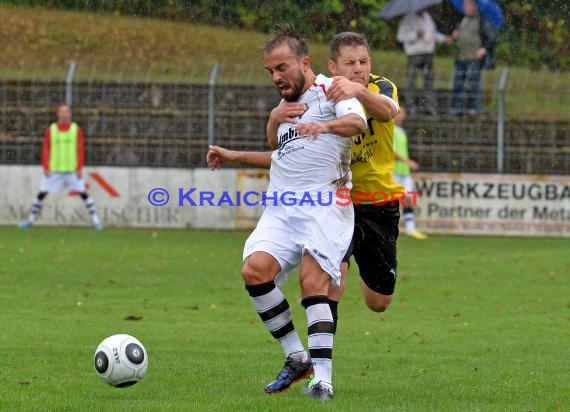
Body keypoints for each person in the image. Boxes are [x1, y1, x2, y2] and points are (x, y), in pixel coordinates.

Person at [208, 31, 404, 317]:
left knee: (378, 302)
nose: (358, 69)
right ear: (333, 67)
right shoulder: (320, 96)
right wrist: (268, 124)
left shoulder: (380, 87)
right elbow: (285, 150)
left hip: (377, 201)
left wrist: (358, 91)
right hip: (335, 202)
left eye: (363, 61)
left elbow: (388, 112)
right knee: (325, 284)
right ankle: (318, 360)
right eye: (350, 63)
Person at [239, 25, 367, 400]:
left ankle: (322, 381)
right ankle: (297, 357)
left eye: (282, 68)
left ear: (305, 63)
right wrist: (274, 119)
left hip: (326, 204)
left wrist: (322, 124)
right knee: (254, 271)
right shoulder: (285, 104)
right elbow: (279, 147)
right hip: (282, 208)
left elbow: (357, 122)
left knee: (312, 282)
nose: (277, 77)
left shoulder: (332, 88)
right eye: (271, 72)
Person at [19, 104, 102, 230]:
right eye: (61, 112)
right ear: (58, 114)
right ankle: (30, 220)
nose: (64, 114)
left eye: (66, 112)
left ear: (70, 114)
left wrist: (79, 167)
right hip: (54, 170)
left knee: (83, 193)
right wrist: (46, 166)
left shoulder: (76, 130)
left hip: (72, 170)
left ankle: (96, 221)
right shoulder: (51, 130)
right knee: (42, 193)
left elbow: (80, 150)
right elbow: (46, 149)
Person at [396, 8, 451, 115]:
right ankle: (410, 106)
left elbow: (433, 34)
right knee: (411, 80)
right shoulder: (408, 19)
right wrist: (416, 34)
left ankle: (430, 106)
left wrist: (444, 39)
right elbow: (401, 36)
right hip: (414, 54)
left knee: (428, 81)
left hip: (428, 54)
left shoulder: (427, 17)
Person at [450, 0, 497, 115]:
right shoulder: (464, 19)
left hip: (473, 59)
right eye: (465, 5)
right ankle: (457, 108)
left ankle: (475, 109)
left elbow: (492, 38)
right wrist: (456, 34)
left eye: (468, 5)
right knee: (458, 83)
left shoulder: (482, 20)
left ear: (475, 6)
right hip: (461, 57)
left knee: (473, 84)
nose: (465, 7)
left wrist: (484, 49)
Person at [393, 105, 427, 239]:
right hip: (393, 170)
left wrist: (407, 165)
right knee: (390, 202)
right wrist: (408, 161)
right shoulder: (390, 130)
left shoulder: (401, 131)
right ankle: (391, 228)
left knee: (408, 199)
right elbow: (392, 151)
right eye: (399, 113)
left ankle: (410, 229)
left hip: (404, 172)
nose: (401, 116)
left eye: (403, 113)